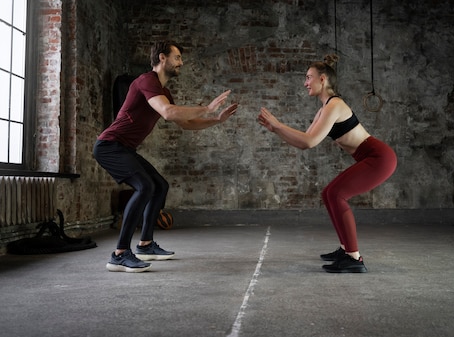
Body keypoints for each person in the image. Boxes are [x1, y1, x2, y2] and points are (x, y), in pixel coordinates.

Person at [94, 40, 238, 273]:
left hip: (124, 148)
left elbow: (186, 123)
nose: (181, 62)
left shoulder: (164, 92)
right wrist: (207, 108)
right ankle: (119, 254)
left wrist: (216, 120)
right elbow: (168, 113)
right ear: (162, 58)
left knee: (159, 186)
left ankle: (146, 244)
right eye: (177, 57)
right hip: (109, 146)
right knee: (144, 187)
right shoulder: (146, 81)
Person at [257, 55, 397, 273]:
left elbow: (310, 141)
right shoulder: (324, 108)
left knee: (336, 194)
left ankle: (354, 258)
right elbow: (305, 141)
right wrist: (276, 129)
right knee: (329, 193)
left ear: (322, 79)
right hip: (371, 157)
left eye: (308, 78)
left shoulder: (335, 105)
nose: (305, 83)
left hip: (379, 157)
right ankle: (346, 249)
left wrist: (279, 124)